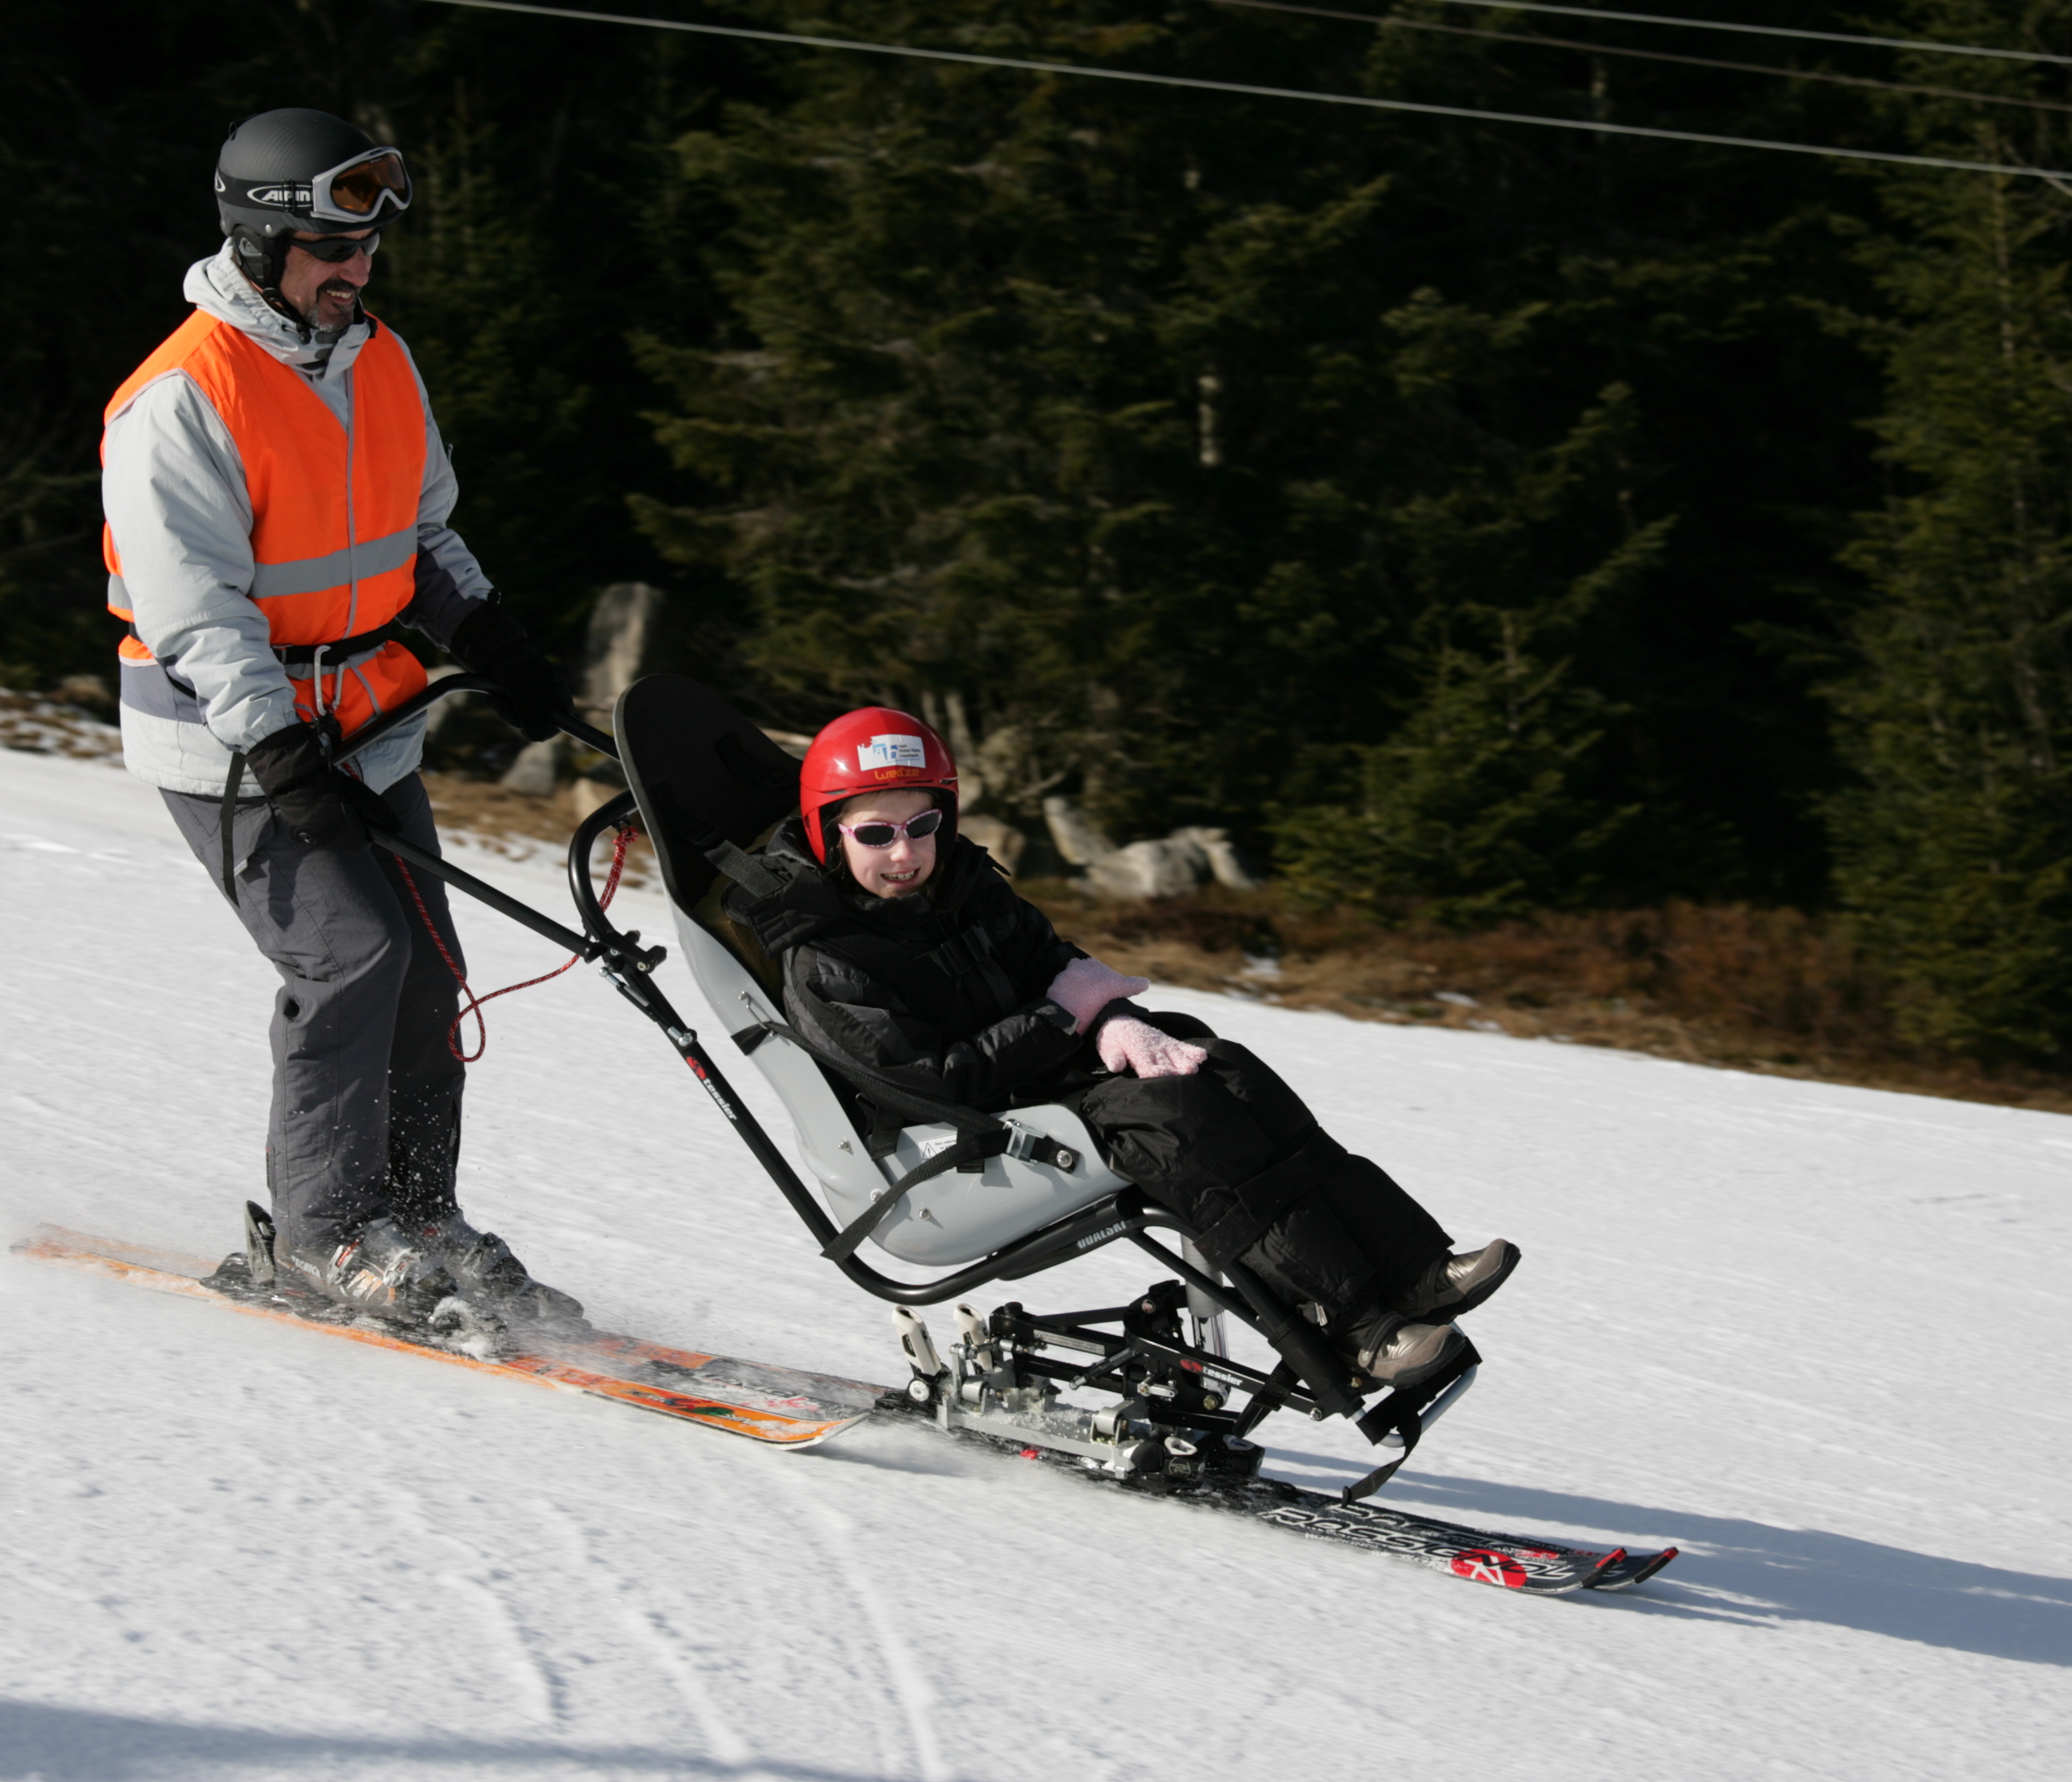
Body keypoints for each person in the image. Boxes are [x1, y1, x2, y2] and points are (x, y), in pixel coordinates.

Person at [98, 107, 581, 1328]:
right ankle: (321, 1236)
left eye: (364, 252)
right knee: (349, 957)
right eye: (330, 250)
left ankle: (417, 1212)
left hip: (362, 719)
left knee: (427, 965)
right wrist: (273, 747)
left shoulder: (377, 356)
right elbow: (198, 614)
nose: (357, 273)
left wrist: (494, 640)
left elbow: (419, 535)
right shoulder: (178, 401)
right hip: (231, 738)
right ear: (262, 246)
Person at [726, 709, 1517, 1389]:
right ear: (832, 834)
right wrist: (1065, 1018)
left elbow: (1049, 957)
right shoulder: (825, 958)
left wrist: (1103, 1017)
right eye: (877, 833)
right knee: (1171, 1115)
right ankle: (1356, 1328)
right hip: (943, 1150)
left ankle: (1412, 1268)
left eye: (923, 824)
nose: (906, 853)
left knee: (1220, 1065)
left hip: (1031, 1084)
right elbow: (933, 1081)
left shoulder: (959, 883)